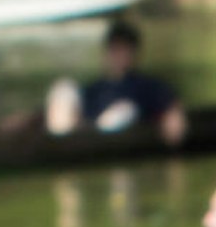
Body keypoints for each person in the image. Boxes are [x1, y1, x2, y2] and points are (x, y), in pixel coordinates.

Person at [45, 20, 189, 145]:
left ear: (134, 53)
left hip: (119, 131)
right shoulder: (95, 89)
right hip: (89, 132)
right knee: (64, 88)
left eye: (124, 50)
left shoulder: (147, 87)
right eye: (114, 49)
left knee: (125, 110)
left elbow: (172, 111)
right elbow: (80, 113)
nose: (118, 55)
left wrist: (172, 121)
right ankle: (60, 142)